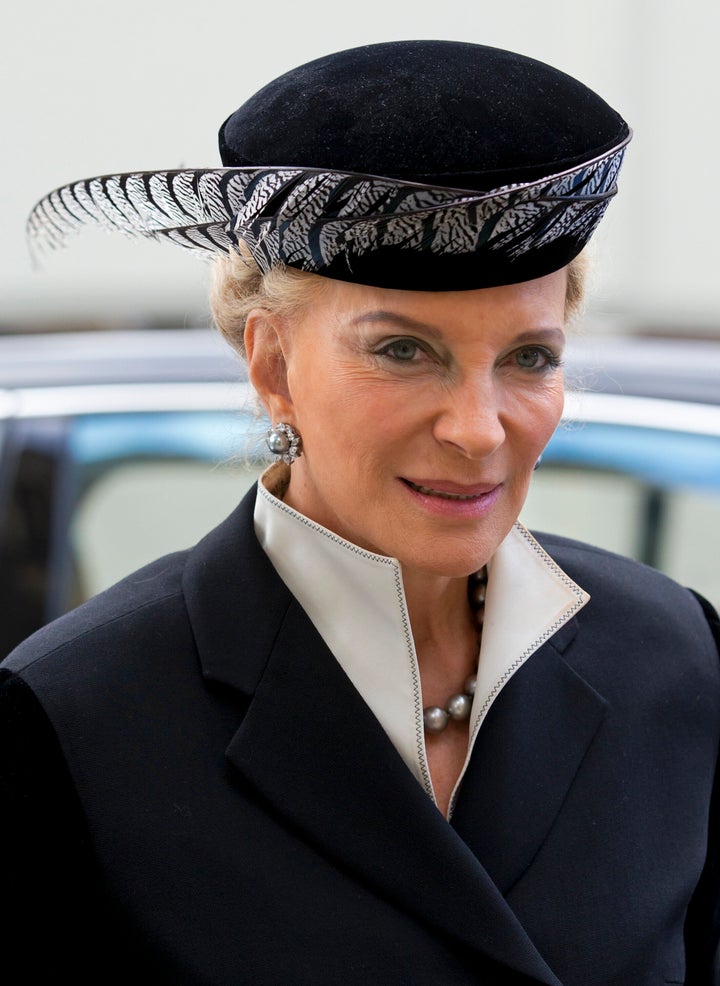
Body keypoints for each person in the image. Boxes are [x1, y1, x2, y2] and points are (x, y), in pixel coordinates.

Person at [2, 40, 719, 986]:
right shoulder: (73, 720)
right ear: (272, 367)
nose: (476, 428)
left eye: (529, 359)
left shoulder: (678, 661)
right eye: (402, 352)